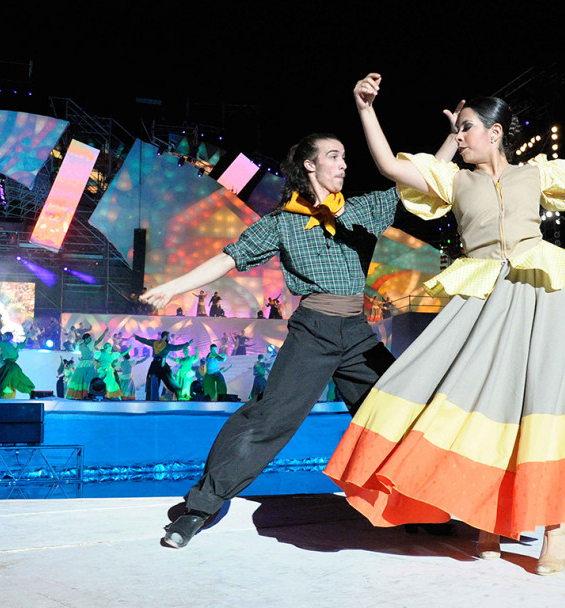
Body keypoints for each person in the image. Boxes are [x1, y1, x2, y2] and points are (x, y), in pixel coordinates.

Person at [323, 72, 565, 576]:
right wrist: (366, 108)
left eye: (466, 128)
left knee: (547, 402)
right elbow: (391, 164)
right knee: (482, 401)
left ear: (494, 132)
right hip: (482, 301)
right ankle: (489, 517)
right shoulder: (453, 180)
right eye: (457, 130)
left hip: (541, 294)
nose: (459, 138)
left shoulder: (537, 175)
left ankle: (556, 527)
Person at [141, 132, 399, 549]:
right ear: (311, 165)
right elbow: (229, 257)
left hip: (356, 332)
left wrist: (450, 139)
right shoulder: (282, 223)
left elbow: (416, 179)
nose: (345, 164)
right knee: (268, 420)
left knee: (398, 411)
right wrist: (175, 286)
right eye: (335, 156)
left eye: (345, 156)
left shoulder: (361, 210)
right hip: (313, 330)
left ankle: (416, 506)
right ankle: (200, 508)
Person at [133, 331, 193, 400]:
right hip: (162, 365)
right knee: (170, 381)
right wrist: (188, 344)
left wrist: (136, 337)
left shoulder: (155, 343)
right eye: (168, 337)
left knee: (154, 383)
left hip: (155, 365)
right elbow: (177, 347)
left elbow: (145, 341)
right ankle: (178, 394)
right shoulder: (167, 346)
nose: (169, 338)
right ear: (165, 337)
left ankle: (153, 400)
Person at [0, 330, 35, 398]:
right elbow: (23, 345)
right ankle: (31, 393)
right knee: (18, 380)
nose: (3, 338)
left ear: (7, 337)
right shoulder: (15, 344)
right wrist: (27, 337)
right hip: (15, 366)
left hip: (7, 366)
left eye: (4, 336)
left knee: (0, 380)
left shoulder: (5, 344)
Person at [66, 328, 108, 399]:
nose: (89, 340)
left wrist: (104, 332)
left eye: (90, 338)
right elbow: (78, 338)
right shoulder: (81, 344)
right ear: (85, 339)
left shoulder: (91, 344)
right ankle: (79, 395)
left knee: (89, 379)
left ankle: (88, 394)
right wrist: (75, 332)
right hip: (83, 364)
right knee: (80, 379)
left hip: (89, 364)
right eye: (88, 338)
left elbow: (99, 340)